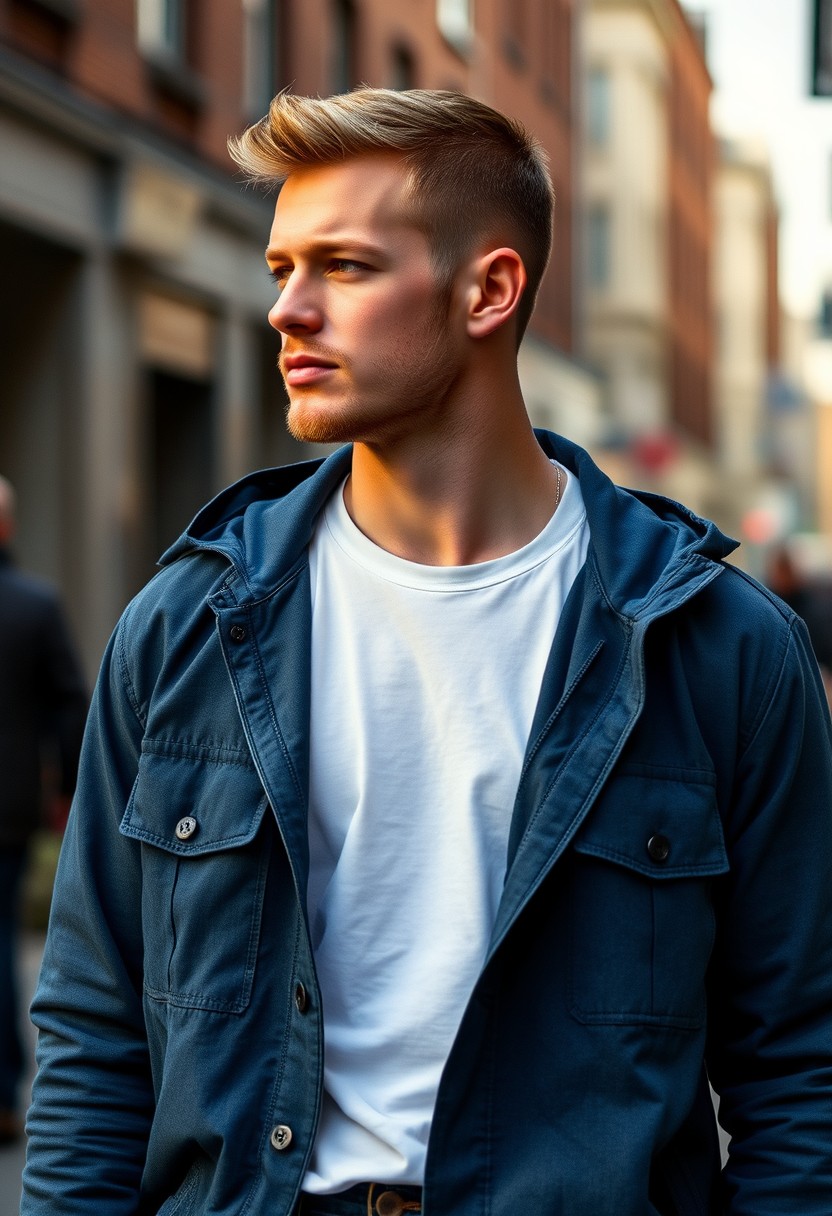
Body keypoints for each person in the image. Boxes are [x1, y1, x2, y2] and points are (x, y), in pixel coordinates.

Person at [21, 89, 832, 1214]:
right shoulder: (186, 627)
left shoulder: (721, 649)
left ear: (488, 290)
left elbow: (799, 1071)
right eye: (278, 270)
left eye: (343, 267)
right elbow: (97, 1030)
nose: (287, 311)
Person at [0, 476, 87, 1145]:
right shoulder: (34, 605)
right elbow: (69, 705)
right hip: (10, 805)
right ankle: (4, 1088)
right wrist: (68, 791)